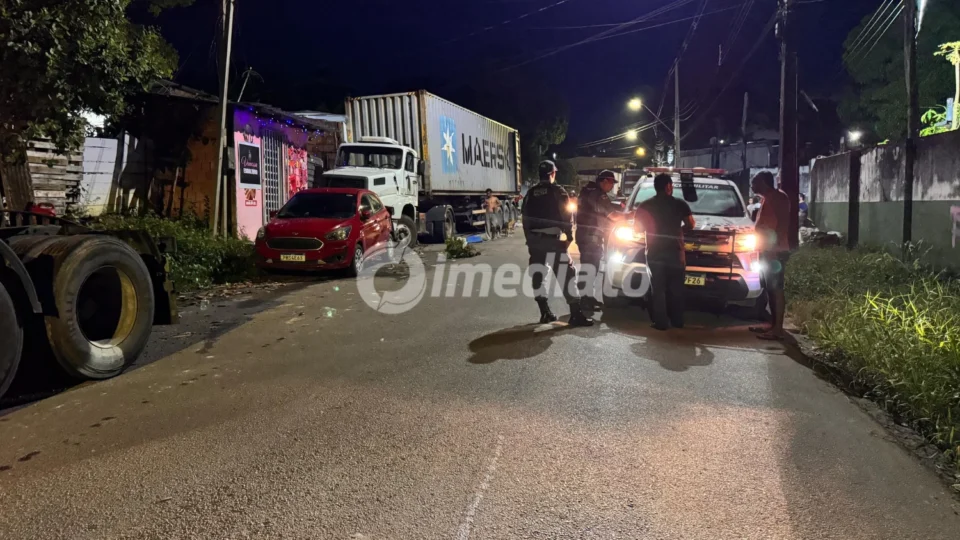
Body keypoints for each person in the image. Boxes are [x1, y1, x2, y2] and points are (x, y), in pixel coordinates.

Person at [522, 160, 593, 327]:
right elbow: (566, 215)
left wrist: (530, 240)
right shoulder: (558, 191)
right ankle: (576, 314)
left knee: (538, 274)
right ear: (552, 174)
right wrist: (569, 236)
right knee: (566, 274)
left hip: (535, 240)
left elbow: (525, 218)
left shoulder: (530, 193)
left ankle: (545, 312)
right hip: (554, 240)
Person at [634, 174, 695, 331]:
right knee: (677, 288)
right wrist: (678, 231)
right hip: (676, 252)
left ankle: (661, 323)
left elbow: (637, 229)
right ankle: (677, 321)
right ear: (668, 186)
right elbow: (691, 224)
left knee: (658, 289)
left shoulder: (644, 205)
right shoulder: (680, 204)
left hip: (655, 252)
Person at [751, 171, 791, 340]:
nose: (752, 186)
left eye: (755, 183)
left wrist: (773, 250)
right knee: (770, 288)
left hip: (774, 251)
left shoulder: (776, 199)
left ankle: (777, 329)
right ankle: (773, 325)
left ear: (764, 183)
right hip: (768, 250)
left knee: (776, 289)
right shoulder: (769, 199)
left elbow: (778, 227)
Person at [576, 170, 624, 312]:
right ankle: (584, 300)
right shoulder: (598, 195)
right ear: (604, 181)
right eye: (611, 183)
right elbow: (612, 215)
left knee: (591, 267)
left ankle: (588, 297)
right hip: (591, 237)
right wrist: (629, 216)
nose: (611, 187)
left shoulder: (587, 191)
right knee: (590, 268)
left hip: (585, 235)